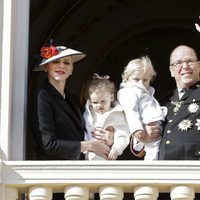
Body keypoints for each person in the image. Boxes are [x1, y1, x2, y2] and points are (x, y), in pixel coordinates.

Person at [30, 43, 113, 200]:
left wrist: (110, 133)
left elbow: (93, 123)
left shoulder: (72, 99)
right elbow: (48, 145)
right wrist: (90, 146)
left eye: (67, 62)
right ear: (46, 66)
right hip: (54, 180)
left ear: (72, 69)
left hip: (78, 178)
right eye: (56, 61)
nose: (61, 65)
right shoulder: (42, 97)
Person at [117, 56, 167, 160]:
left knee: (157, 150)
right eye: (136, 79)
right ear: (127, 78)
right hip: (145, 126)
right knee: (152, 152)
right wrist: (137, 130)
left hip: (154, 123)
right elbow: (131, 111)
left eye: (145, 80)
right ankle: (151, 172)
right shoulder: (127, 92)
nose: (140, 83)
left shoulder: (146, 91)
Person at [82, 73, 130, 160]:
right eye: (95, 102)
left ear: (111, 98)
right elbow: (83, 132)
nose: (99, 105)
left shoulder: (117, 114)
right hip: (88, 157)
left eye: (103, 101)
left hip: (107, 156)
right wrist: (87, 147)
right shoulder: (88, 114)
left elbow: (123, 133)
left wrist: (116, 149)